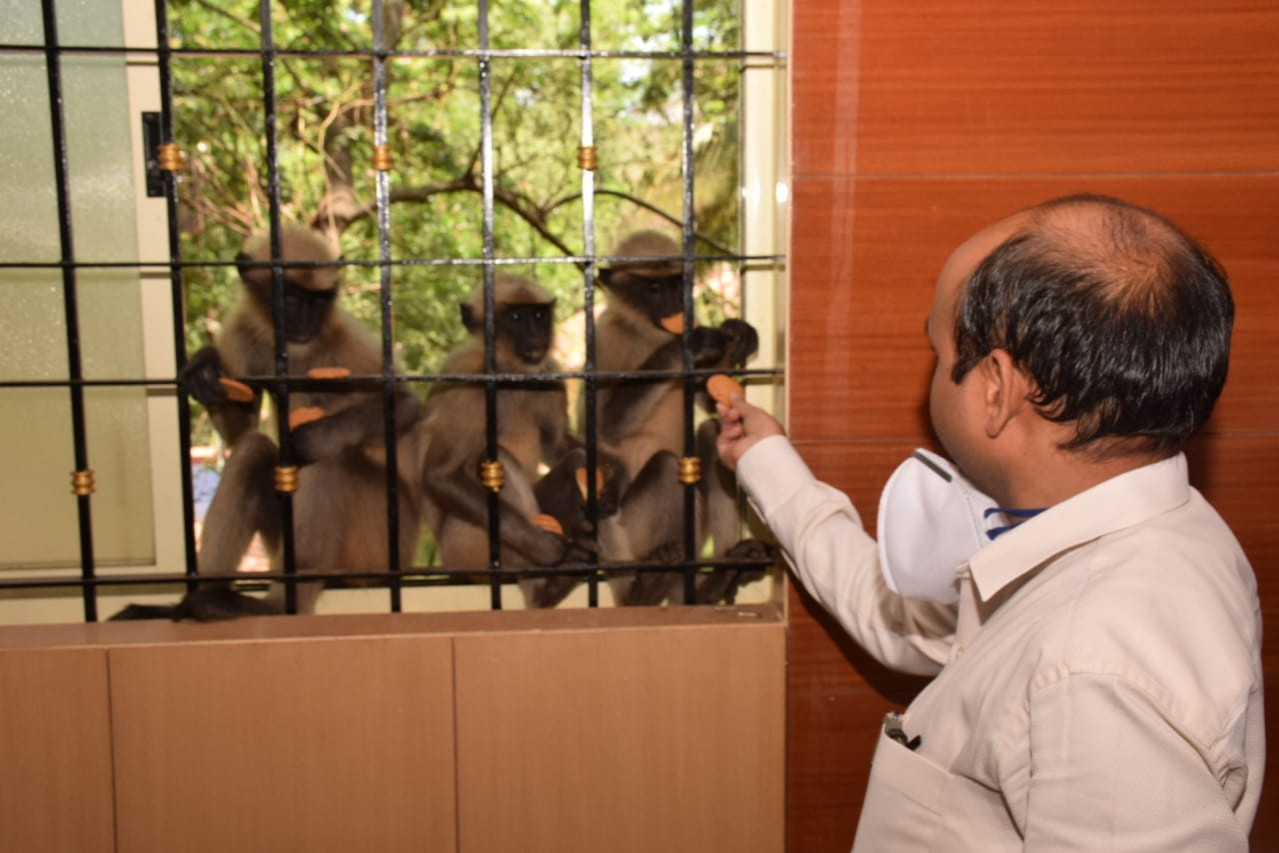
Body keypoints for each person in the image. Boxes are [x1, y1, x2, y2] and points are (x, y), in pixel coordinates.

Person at [717, 194, 1264, 851]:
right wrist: (766, 461)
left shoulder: (1096, 666)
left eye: (937, 346)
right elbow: (903, 618)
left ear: (996, 389)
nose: (930, 370)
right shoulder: (1127, 527)